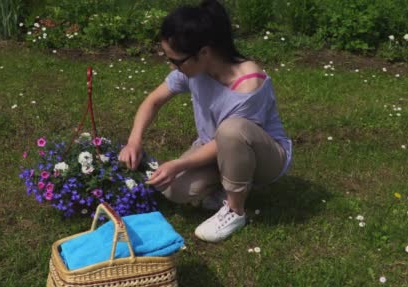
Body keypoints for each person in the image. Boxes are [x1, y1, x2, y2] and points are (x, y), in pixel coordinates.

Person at [118, 0, 292, 242]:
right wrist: (134, 141)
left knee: (231, 130)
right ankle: (228, 184)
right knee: (172, 189)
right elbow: (153, 101)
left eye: (177, 60)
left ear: (204, 52)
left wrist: (179, 164)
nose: (173, 66)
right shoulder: (195, 70)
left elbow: (227, 139)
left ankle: (235, 209)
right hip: (216, 147)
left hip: (265, 157)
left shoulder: (248, 85)